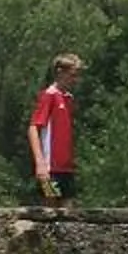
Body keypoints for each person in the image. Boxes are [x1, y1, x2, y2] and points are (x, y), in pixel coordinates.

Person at [28, 53, 83, 204]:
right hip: (49, 169)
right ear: (60, 72)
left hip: (67, 169)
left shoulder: (68, 99)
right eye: (72, 75)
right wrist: (40, 163)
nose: (75, 80)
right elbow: (33, 128)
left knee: (68, 212)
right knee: (50, 208)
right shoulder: (49, 96)